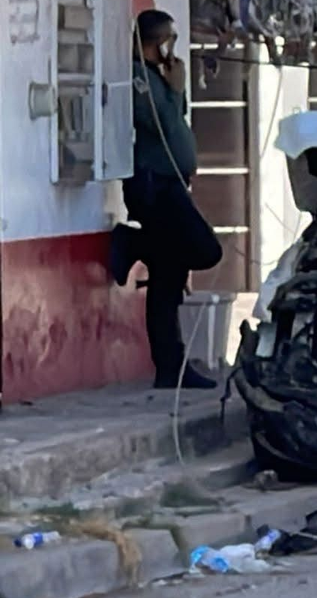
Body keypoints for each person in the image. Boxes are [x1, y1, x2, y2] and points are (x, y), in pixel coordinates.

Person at [109, 9, 223, 389]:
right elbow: (157, 121)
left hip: (172, 181)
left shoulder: (161, 75)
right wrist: (174, 91)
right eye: (168, 39)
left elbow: (179, 116)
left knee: (167, 278)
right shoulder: (139, 77)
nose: (172, 47)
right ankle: (133, 240)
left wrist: (177, 87)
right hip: (154, 185)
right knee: (205, 249)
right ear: (153, 42)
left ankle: (170, 366)